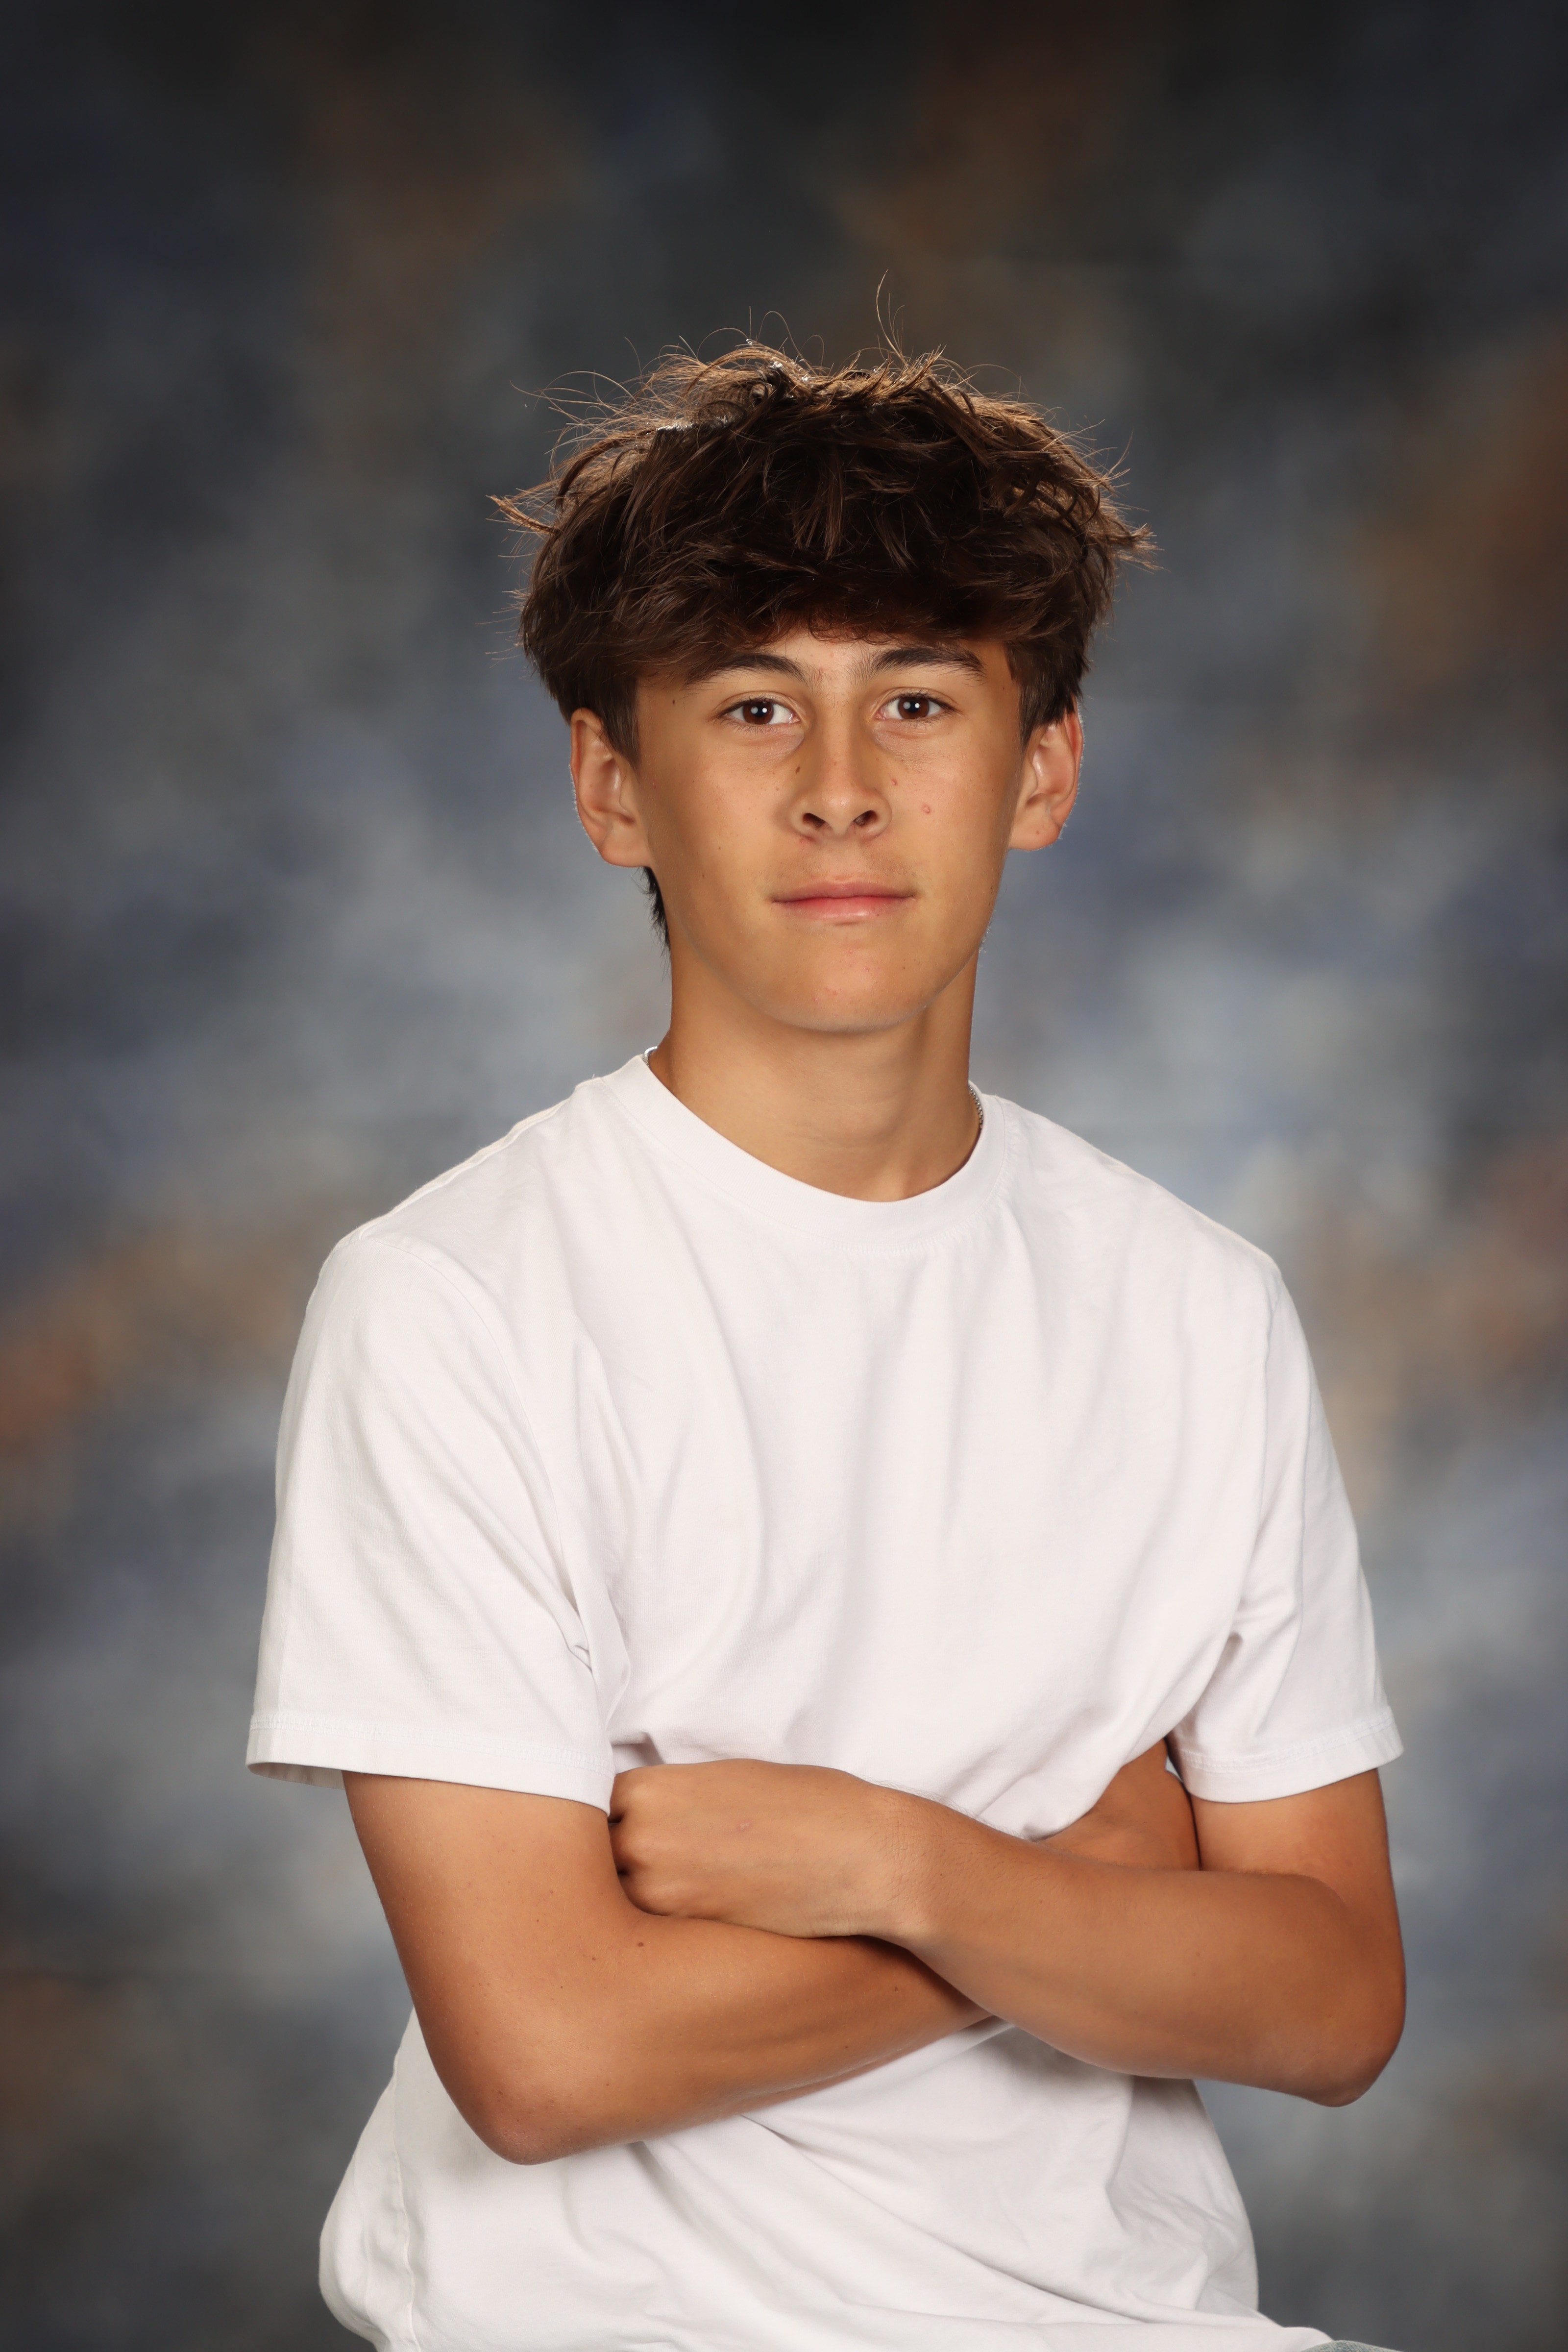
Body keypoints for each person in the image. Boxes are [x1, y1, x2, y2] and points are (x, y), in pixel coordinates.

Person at [248, 343, 1406, 2352]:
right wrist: (1085, 1887)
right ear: (614, 786)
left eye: (920, 701)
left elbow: (1330, 2004)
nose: (842, 784)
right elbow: (549, 2055)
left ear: (1040, 772)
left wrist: (910, 1869)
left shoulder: (1198, 1307)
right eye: (755, 704)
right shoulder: (452, 1303)